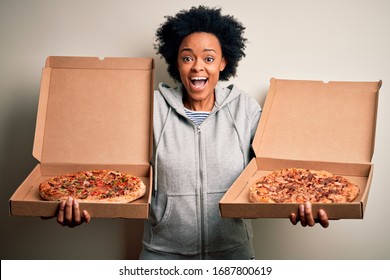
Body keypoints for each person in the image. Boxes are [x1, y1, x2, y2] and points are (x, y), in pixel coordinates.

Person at [56, 6, 329, 259]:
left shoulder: (245, 109)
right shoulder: (150, 109)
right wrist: (81, 202)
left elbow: (278, 175)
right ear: (177, 62)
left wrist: (307, 203)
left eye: (208, 58)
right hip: (161, 255)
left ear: (223, 62)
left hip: (233, 256)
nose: (198, 66)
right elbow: (110, 173)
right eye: (188, 57)